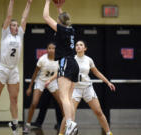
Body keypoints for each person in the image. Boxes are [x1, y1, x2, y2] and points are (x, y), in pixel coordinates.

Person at [0, 0, 32, 135]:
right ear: (8, 27)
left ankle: (15, 125)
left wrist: (28, 4)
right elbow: (9, 16)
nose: (16, 27)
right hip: (2, 68)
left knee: (14, 98)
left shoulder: (20, 36)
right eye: (13, 25)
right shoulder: (5, 34)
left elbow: (24, 18)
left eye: (17, 26)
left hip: (14, 70)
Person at [58, 41, 116, 135]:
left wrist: (108, 82)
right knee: (69, 114)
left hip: (87, 88)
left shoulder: (89, 60)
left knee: (98, 112)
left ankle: (109, 132)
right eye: (77, 45)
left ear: (85, 48)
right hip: (75, 89)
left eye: (81, 45)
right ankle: (60, 133)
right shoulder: (71, 59)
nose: (78, 46)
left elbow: (96, 72)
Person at [43, 0, 79, 135]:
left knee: (63, 97)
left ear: (59, 21)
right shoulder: (71, 30)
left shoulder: (62, 29)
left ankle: (70, 124)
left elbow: (46, 17)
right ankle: (71, 125)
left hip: (66, 62)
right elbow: (64, 21)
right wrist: (59, 9)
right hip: (74, 64)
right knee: (68, 99)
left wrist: (47, 2)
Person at [23, 43, 63, 133]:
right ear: (47, 49)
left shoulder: (59, 60)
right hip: (41, 81)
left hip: (52, 82)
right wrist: (30, 87)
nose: (51, 50)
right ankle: (27, 125)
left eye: (53, 48)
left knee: (61, 103)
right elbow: (35, 73)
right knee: (34, 103)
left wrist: (51, 80)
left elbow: (58, 73)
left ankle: (67, 125)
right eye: (49, 48)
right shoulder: (42, 59)